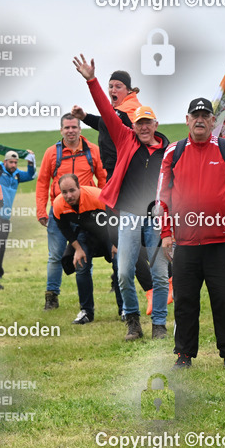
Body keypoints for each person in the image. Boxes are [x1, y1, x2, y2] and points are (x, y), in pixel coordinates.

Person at [73, 54, 171, 339]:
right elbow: (105, 109)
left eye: (147, 123)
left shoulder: (167, 152)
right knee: (125, 271)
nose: (142, 127)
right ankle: (132, 320)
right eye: (138, 123)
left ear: (155, 124)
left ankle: (160, 325)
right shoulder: (125, 138)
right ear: (133, 125)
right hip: (128, 214)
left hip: (155, 217)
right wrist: (91, 80)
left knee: (161, 273)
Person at [156, 97, 225, 369]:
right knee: (185, 300)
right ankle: (184, 355)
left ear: (213, 121)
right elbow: (162, 198)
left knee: (223, 299)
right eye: (194, 115)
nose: (199, 120)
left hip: (219, 243)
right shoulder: (173, 152)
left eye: (205, 115)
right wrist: (166, 233)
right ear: (187, 120)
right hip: (184, 244)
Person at [35, 114, 106, 312]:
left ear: (80, 129)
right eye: (66, 127)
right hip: (60, 211)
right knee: (56, 255)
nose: (70, 131)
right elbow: (42, 182)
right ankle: (51, 296)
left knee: (86, 253)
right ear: (61, 130)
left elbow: (103, 179)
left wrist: (106, 208)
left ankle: (86, 300)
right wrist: (42, 210)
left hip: (88, 211)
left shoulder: (93, 151)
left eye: (74, 127)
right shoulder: (52, 153)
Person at [80, 69, 142, 178]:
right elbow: (107, 125)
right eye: (110, 86)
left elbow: (140, 135)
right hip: (115, 167)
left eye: (118, 87)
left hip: (125, 169)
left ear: (128, 90)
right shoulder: (119, 110)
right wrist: (85, 117)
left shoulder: (130, 109)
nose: (113, 90)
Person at [0, 150, 35, 289]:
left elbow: (30, 175)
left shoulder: (17, 175)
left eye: (15, 162)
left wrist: (31, 163)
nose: (13, 165)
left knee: (1, 246)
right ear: (5, 161)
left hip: (6, 216)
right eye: (11, 162)